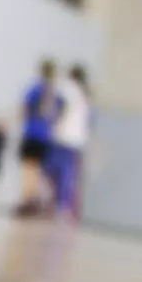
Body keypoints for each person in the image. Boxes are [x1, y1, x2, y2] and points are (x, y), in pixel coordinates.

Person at [17, 59, 63, 216]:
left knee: (28, 168)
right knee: (38, 170)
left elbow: (23, 108)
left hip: (32, 133)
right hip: (46, 136)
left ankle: (27, 200)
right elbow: (58, 114)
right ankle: (37, 200)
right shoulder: (54, 93)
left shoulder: (36, 89)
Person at [50, 65, 92, 219]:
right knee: (67, 173)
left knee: (55, 170)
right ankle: (64, 205)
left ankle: (60, 204)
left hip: (63, 136)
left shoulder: (68, 89)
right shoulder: (85, 93)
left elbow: (57, 107)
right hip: (77, 140)